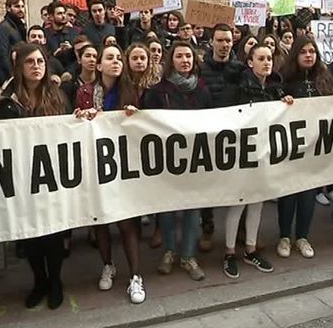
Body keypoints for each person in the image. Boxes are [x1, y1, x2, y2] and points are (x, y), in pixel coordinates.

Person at [0, 43, 68, 310]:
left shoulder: (58, 96)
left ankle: (56, 281)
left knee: (54, 234)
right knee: (31, 235)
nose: (36, 66)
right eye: (30, 62)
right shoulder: (7, 101)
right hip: (23, 178)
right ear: (20, 67)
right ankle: (40, 281)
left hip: (53, 176)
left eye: (40, 61)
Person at [74, 44, 147, 304]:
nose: (115, 61)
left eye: (119, 57)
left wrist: (134, 116)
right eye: (109, 58)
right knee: (101, 219)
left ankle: (135, 276)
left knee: (127, 223)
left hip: (125, 167)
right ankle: (108, 265)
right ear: (99, 65)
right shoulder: (84, 92)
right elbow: (75, 128)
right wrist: (82, 117)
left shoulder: (133, 91)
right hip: (96, 165)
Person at [142, 41, 212, 281]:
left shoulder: (203, 89)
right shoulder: (158, 91)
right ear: (171, 60)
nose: (185, 60)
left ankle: (188, 256)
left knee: (193, 208)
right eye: (180, 56)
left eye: (189, 56)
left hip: (195, 159)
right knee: (169, 208)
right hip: (167, 160)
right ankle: (170, 251)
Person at [221, 44, 292, 278]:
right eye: (261, 58)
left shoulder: (275, 89)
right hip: (242, 155)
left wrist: (287, 103)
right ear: (250, 63)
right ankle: (230, 252)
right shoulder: (238, 88)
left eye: (269, 58)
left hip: (265, 154)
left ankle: (250, 249)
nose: (267, 62)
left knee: (257, 202)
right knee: (238, 203)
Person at [278, 36, 333, 258]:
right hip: (291, 148)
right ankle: (284, 236)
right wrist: (282, 101)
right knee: (289, 193)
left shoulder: (324, 78)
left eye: (312, 51)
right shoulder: (284, 79)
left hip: (316, 146)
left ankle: (302, 236)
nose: (308, 55)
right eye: (303, 52)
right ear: (296, 54)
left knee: (308, 192)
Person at [198, 23, 244, 251]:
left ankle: (241, 229)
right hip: (207, 135)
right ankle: (207, 227)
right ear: (212, 42)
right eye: (220, 40)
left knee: (238, 184)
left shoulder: (239, 68)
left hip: (234, 136)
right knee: (207, 186)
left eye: (228, 40)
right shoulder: (200, 68)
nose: (224, 44)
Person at [0, 0, 27, 78]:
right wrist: (11, 75)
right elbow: (2, 54)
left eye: (22, 6)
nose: (21, 9)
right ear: (8, 8)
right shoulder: (4, 27)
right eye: (17, 7)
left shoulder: (20, 26)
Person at [44, 1, 78, 69]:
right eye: (59, 14)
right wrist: (55, 54)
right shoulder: (45, 34)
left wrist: (71, 49)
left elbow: (79, 56)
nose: (63, 16)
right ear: (51, 17)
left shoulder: (74, 32)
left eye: (64, 13)